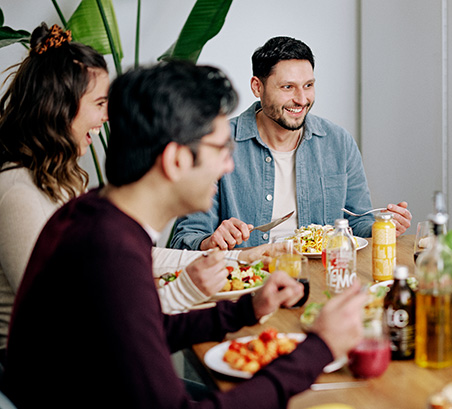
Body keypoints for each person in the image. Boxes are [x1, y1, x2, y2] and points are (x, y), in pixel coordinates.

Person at [2, 60, 367, 407]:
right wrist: (319, 348)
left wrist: (246, 310)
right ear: (176, 159)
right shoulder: (112, 253)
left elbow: (142, 331)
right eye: (220, 149)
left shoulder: (95, 215)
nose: (228, 164)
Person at [0, 24, 275, 337]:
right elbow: (60, 317)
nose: (107, 118)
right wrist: (182, 292)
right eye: (100, 104)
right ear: (59, 107)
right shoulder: (18, 193)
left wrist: (233, 258)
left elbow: (135, 256)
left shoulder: (66, 182)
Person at [169, 36, 412, 251]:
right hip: (249, 278)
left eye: (308, 85)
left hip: (321, 275)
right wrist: (211, 241)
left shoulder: (339, 142)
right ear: (257, 87)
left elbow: (357, 223)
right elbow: (185, 237)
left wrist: (384, 226)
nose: (301, 99)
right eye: (288, 87)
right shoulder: (216, 144)